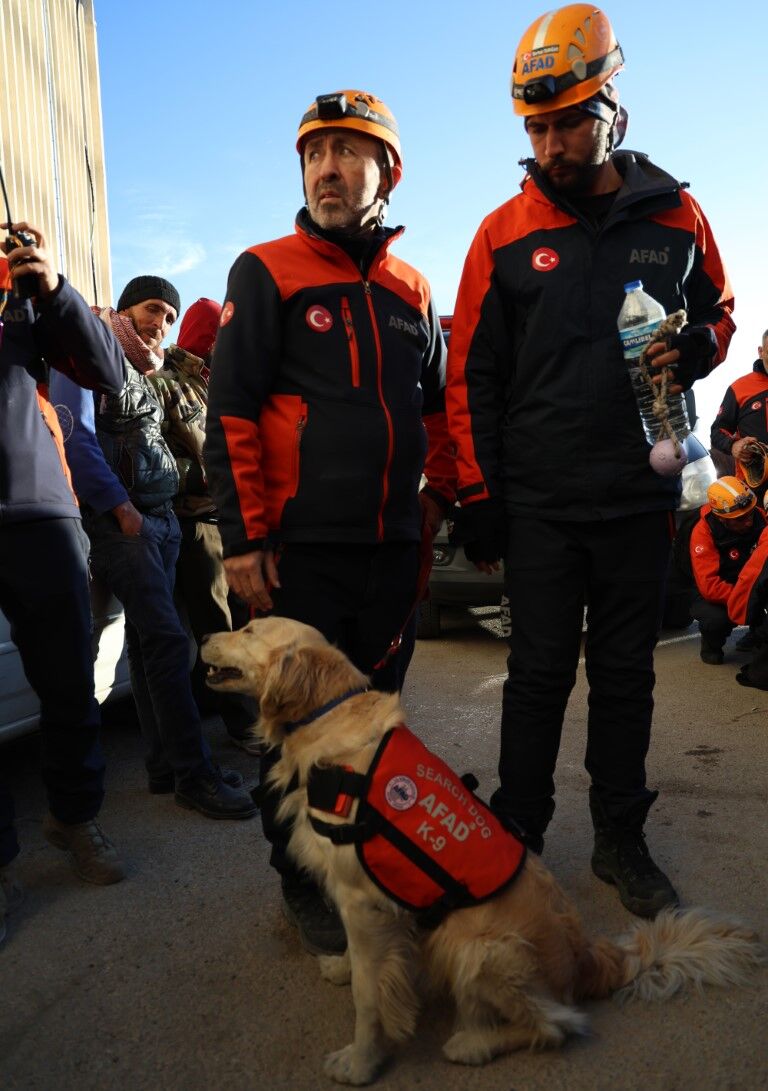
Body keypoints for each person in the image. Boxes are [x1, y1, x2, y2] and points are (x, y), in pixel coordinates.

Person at [445, 4, 735, 919]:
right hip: (537, 504)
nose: (551, 141)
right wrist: (480, 493)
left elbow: (720, 312)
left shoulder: (678, 213)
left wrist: (698, 349)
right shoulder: (500, 233)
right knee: (535, 674)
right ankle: (518, 835)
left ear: (614, 108)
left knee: (627, 675)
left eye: (569, 119)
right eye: (536, 125)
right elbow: (469, 376)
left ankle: (621, 836)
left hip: (636, 498)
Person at [206, 89, 455, 955]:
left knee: (375, 724)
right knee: (294, 733)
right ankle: (304, 885)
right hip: (295, 555)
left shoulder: (413, 288)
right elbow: (230, 409)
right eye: (315, 154)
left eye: (349, 152)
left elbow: (433, 416)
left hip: (390, 550)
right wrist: (243, 539)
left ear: (387, 172)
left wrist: (431, 505)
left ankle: (373, 865)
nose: (327, 169)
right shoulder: (264, 268)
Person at [49, 277, 256, 820]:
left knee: (147, 648)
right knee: (167, 642)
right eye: (150, 309)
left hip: (158, 522)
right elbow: (77, 438)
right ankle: (196, 773)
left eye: (168, 314)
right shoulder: (90, 353)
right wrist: (122, 510)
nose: (159, 322)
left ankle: (165, 767)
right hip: (126, 526)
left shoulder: (148, 369)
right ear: (124, 308)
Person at [0, 220, 127, 944]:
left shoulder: (20, 294)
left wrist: (53, 290)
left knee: (69, 686)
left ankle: (75, 818)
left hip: (40, 514)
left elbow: (107, 372)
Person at [148, 298, 259, 755]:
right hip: (195, 523)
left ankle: (229, 710)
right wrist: (219, 476)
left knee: (243, 622)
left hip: (231, 521)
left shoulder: (218, 385)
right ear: (208, 337)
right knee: (219, 630)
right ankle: (244, 726)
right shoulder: (165, 384)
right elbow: (157, 460)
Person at [689, 478, 767, 664]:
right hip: (721, 592)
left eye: (749, 514)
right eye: (740, 519)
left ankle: (757, 635)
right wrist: (744, 598)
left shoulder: (760, 517)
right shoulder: (703, 533)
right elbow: (709, 585)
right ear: (721, 518)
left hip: (751, 585)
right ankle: (711, 643)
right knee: (715, 620)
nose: (748, 522)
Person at [710, 328, 768, 501]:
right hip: (753, 492)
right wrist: (733, 445)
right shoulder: (739, 388)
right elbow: (717, 431)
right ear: (761, 351)